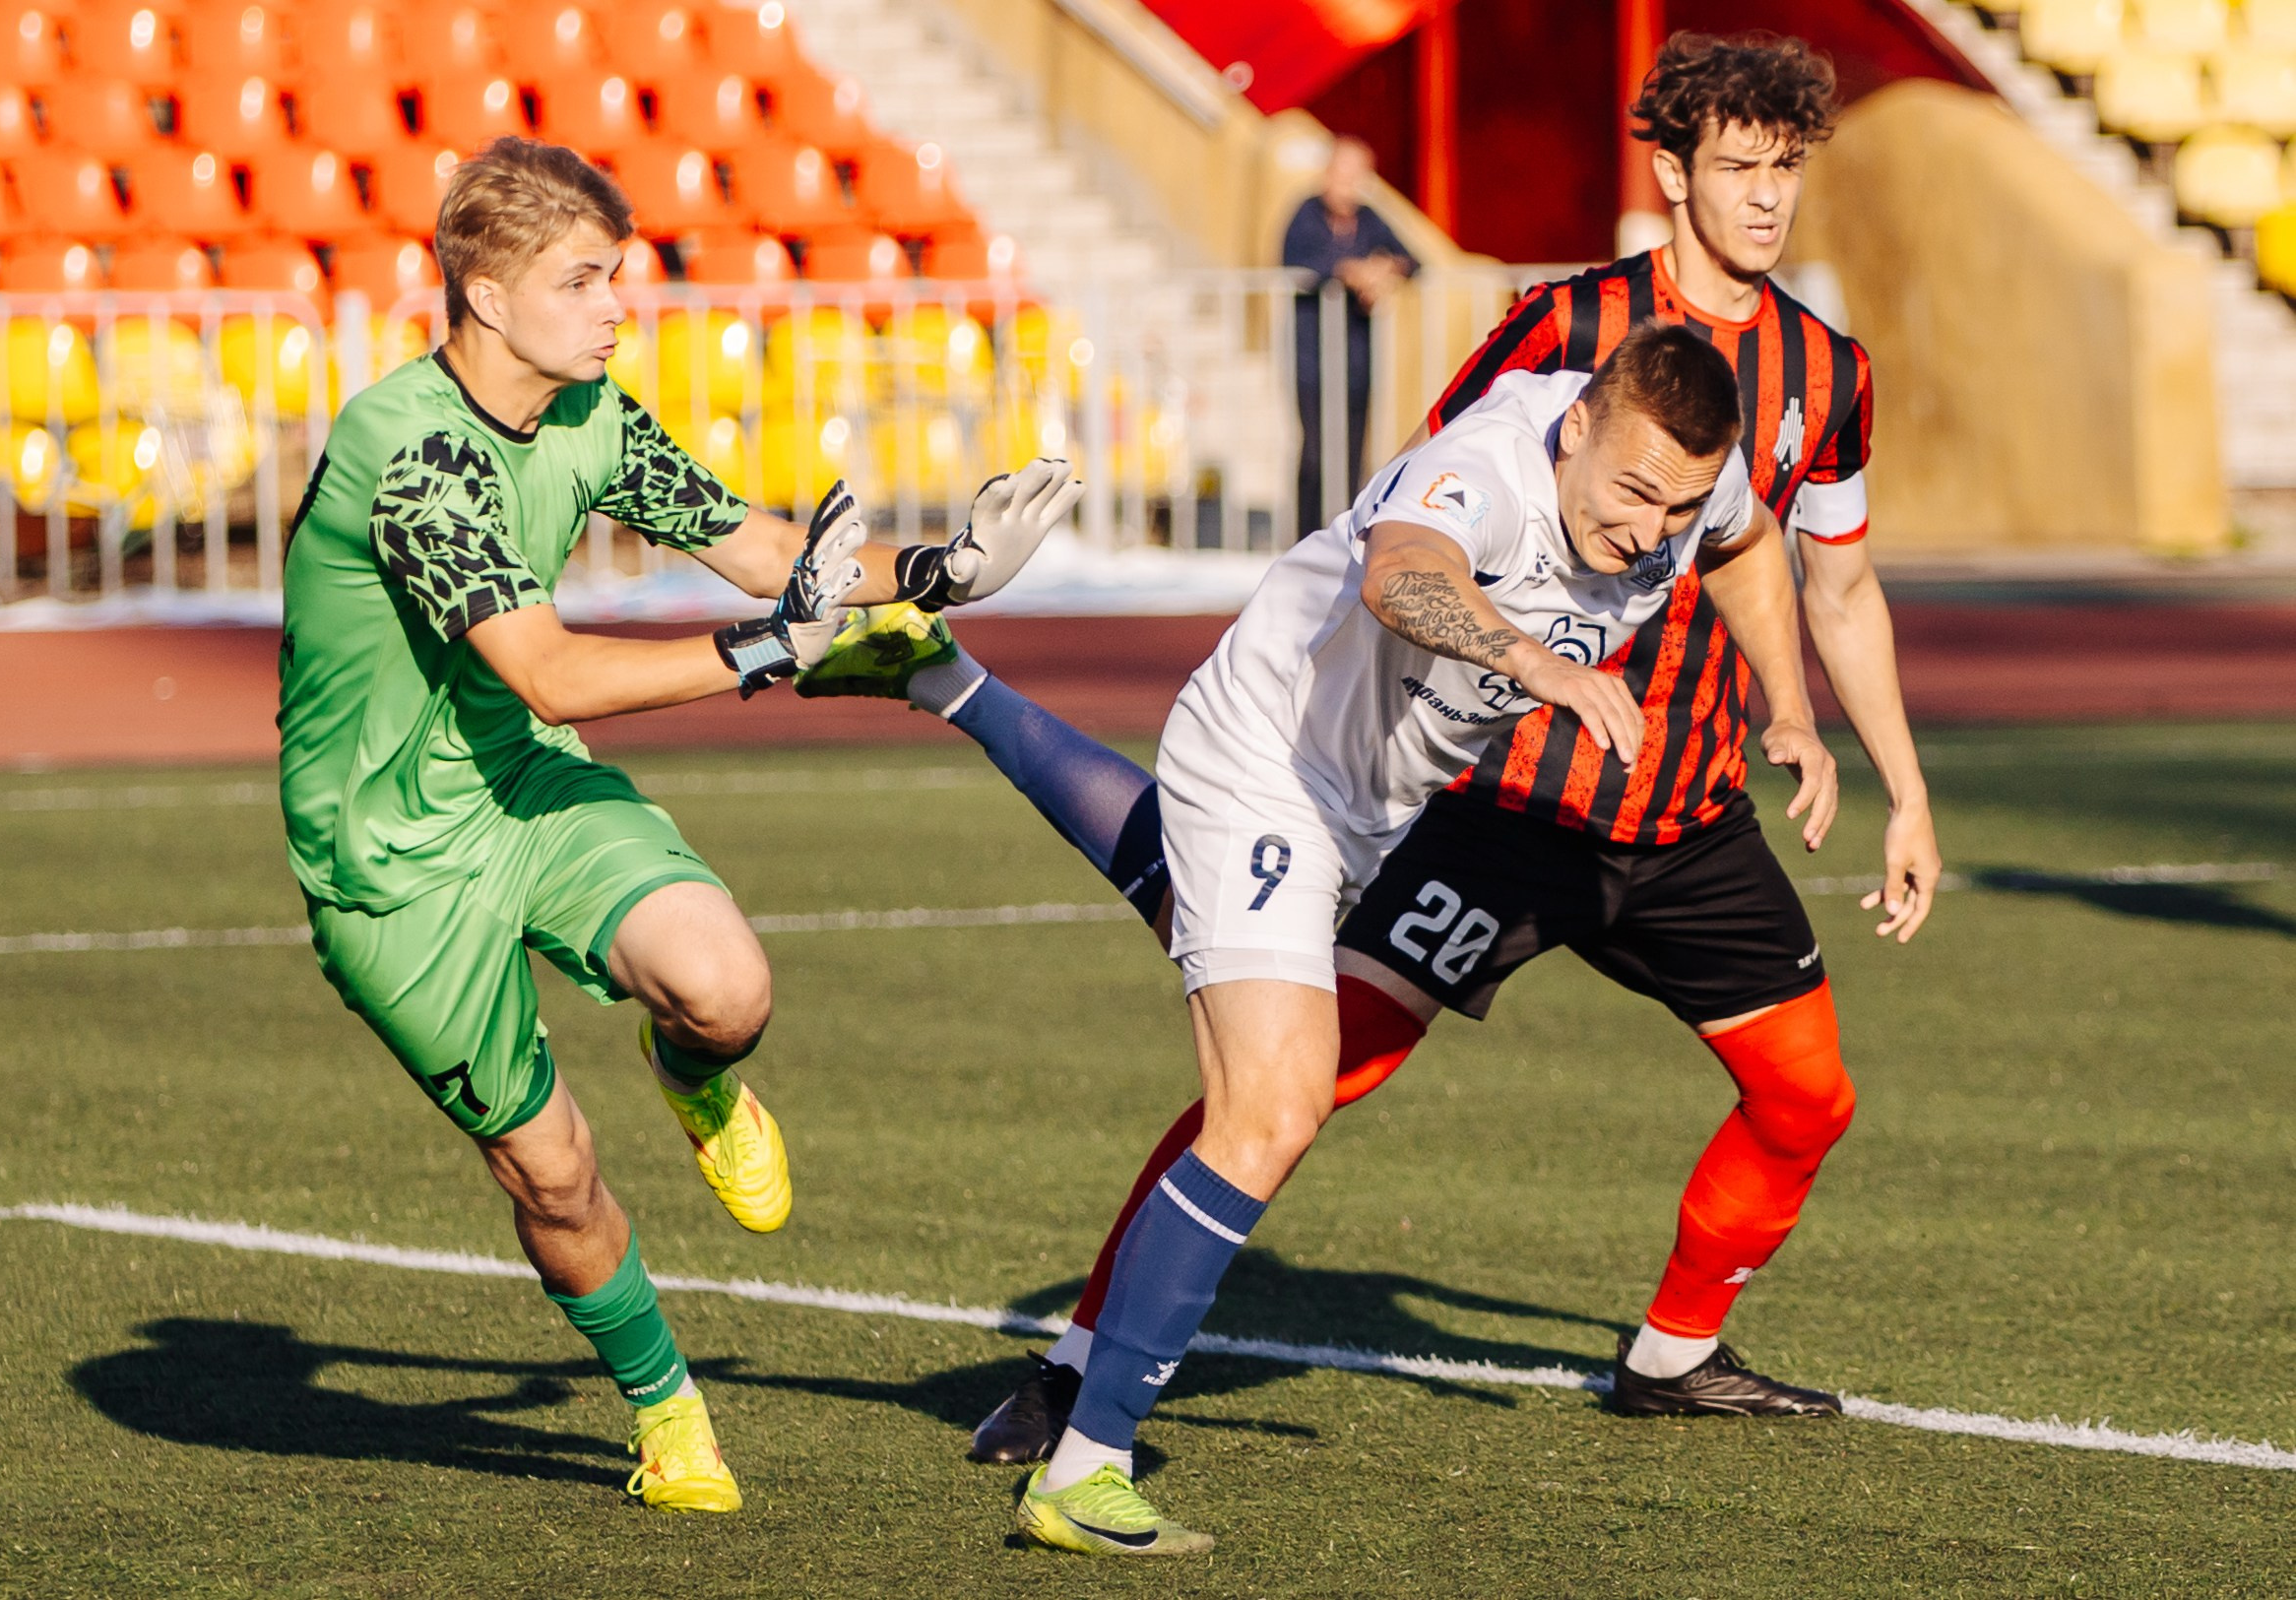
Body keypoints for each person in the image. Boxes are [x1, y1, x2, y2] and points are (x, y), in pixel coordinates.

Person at [800, 31, 1938, 1469]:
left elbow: (1787, 560)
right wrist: (1523, 660)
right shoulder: (1565, 331)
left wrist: (1850, 748)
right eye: (1738, 167)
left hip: (1688, 813)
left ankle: (1673, 1353)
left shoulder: (1819, 374)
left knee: (1806, 1094)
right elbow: (1423, 524)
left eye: (1786, 170)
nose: (1767, 198)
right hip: (1493, 798)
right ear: (1671, 173)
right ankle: (1078, 1369)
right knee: (1284, 1085)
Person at [278, 137, 1079, 1514]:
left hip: (518, 779)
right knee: (557, 1176)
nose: (614, 308)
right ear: (482, 296)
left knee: (728, 987)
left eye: (617, 277)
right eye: (583, 281)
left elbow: (776, 554)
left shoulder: (590, 414)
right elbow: (550, 669)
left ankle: (692, 1074)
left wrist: (941, 569)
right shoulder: (404, 450)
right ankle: (665, 1405)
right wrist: (766, 649)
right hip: (388, 864)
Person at [1014, 324, 1798, 1554]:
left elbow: (1743, 541)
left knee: (1177, 905)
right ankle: (1087, 1457)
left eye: (1677, 502)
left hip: (1365, 805)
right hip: (1262, 759)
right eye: (1635, 492)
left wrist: (1790, 705)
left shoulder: (1688, 485)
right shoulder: (1490, 463)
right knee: (1271, 1104)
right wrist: (1530, 657)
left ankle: (940, 675)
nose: (1652, 529)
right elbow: (1402, 575)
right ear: (1576, 426)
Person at [1285, 135, 1418, 536]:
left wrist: (1384, 268)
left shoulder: (1371, 219)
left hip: (1357, 356)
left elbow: (1413, 261)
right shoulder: (1305, 215)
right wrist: (1347, 270)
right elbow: (1295, 261)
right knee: (1316, 454)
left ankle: (1344, 533)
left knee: (1353, 453)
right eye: (1342, 173)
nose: (1348, 184)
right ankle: (1307, 536)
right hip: (1313, 356)